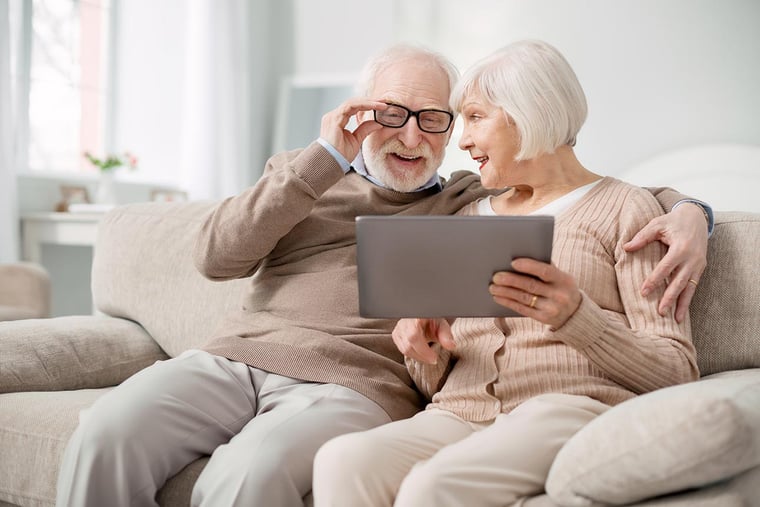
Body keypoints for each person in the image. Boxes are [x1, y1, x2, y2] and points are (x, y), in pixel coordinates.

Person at [56, 44, 709, 507]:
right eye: (392, 112)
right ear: (359, 113)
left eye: (438, 119)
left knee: (247, 471)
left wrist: (689, 213)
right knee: (103, 433)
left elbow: (579, 189)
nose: (414, 135)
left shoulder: (461, 198)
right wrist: (319, 161)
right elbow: (215, 256)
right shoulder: (306, 174)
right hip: (236, 358)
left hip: (353, 382)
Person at [311, 40, 700, 506]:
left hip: (564, 409)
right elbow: (433, 377)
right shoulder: (466, 216)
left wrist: (577, 316)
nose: (461, 140)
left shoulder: (626, 209)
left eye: (475, 117)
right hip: (458, 413)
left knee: (433, 487)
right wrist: (426, 348)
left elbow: (678, 371)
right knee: (342, 460)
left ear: (530, 112)